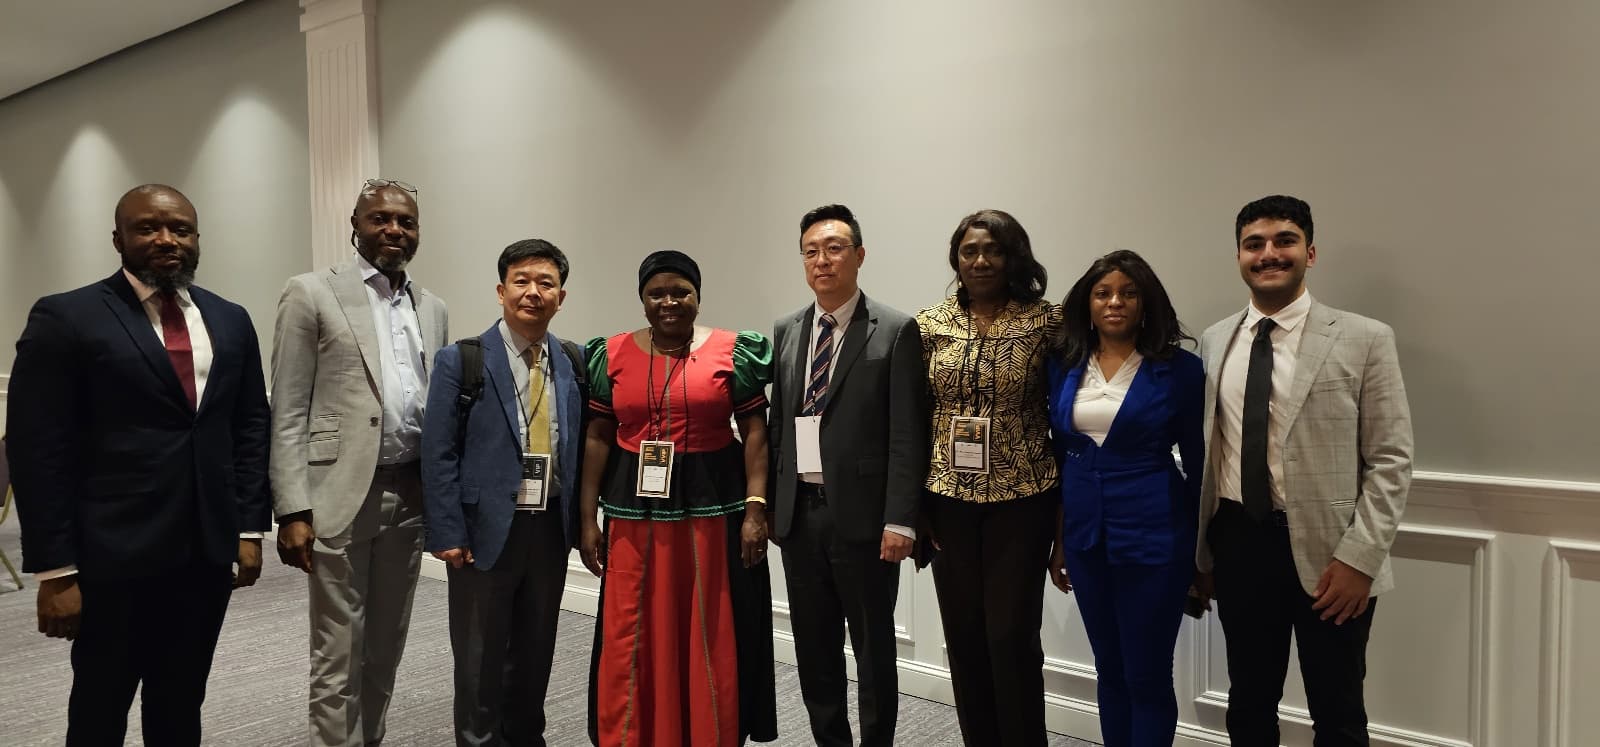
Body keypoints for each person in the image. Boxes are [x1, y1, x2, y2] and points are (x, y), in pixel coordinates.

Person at [6, 184, 271, 745]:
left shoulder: (230, 319)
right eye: (148, 227)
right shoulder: (67, 316)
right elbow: (37, 449)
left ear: (197, 238)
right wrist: (55, 571)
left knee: (181, 701)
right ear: (118, 239)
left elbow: (249, 426)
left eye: (180, 229)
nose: (166, 239)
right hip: (111, 556)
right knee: (100, 706)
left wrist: (249, 528)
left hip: (203, 553)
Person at [1196, 195, 1413, 746]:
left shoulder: (1365, 337)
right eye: (1254, 244)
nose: (1269, 253)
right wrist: (1204, 553)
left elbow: (1391, 459)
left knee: (1338, 712)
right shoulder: (1215, 340)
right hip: (1239, 543)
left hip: (1333, 555)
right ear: (1239, 256)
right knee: (1248, 702)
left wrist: (1360, 559)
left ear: (1310, 253)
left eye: (1284, 241)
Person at [269, 179, 449, 746]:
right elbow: (288, 408)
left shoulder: (433, 308)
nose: (394, 229)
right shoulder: (311, 293)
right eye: (380, 219)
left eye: (406, 221)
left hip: (410, 496)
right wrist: (291, 508)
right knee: (338, 652)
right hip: (338, 493)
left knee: (385, 648)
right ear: (355, 225)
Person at [579, 250, 778, 746]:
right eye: (656, 293)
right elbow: (598, 436)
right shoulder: (610, 353)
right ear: (642, 300)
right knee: (635, 622)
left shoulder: (734, 351)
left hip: (714, 511)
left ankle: (708, 730)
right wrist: (586, 519)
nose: (668, 302)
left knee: (708, 621)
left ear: (698, 297)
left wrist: (756, 509)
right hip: (633, 514)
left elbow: (756, 432)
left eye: (680, 291)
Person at [767, 204, 927, 747]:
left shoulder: (895, 330)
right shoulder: (788, 329)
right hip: (800, 515)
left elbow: (907, 434)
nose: (822, 261)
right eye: (811, 251)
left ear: (858, 255)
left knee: (873, 649)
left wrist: (901, 519)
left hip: (865, 520)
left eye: (834, 249)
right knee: (814, 649)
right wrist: (773, 505)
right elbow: (780, 424)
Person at [421, 239, 585, 746]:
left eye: (546, 283)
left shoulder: (574, 361)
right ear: (501, 290)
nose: (533, 292)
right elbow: (438, 452)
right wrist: (448, 530)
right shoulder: (462, 360)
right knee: (480, 658)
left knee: (536, 653)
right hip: (482, 532)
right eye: (522, 281)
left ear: (561, 296)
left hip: (550, 528)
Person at [1044, 250, 1204, 746]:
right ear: (1087, 303)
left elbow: (1199, 464)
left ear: (1145, 303)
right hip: (1085, 538)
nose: (1115, 302)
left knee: (1147, 673)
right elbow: (1060, 456)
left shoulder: (1180, 370)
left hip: (1155, 535)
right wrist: (1060, 541)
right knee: (1109, 668)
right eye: (1103, 293)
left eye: (1128, 293)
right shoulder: (1065, 365)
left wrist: (1203, 551)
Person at [915, 209, 1060, 746]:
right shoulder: (929, 325)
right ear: (956, 259)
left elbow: (1068, 410)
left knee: (1011, 634)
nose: (980, 261)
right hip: (947, 499)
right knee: (965, 636)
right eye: (969, 251)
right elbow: (914, 416)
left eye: (993, 250)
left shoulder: (1048, 322)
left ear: (1013, 257)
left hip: (1023, 496)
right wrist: (914, 506)